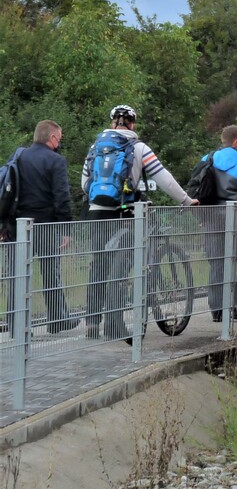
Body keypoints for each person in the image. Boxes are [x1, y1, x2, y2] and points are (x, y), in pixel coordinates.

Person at [81, 105, 198, 340]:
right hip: (126, 210)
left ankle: (93, 324)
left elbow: (85, 183)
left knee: (99, 264)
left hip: (97, 211)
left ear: (113, 122)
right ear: (132, 124)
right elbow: (163, 177)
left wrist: (101, 197)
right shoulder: (138, 147)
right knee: (125, 263)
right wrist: (186, 200)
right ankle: (117, 324)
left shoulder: (96, 146)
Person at [4, 121, 78, 334]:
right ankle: (57, 320)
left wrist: (4, 224)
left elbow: (7, 190)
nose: (60, 142)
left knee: (17, 275)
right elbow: (62, 197)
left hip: (17, 227)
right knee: (50, 272)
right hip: (45, 226)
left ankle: (15, 325)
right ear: (52, 138)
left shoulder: (18, 157)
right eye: (59, 138)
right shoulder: (56, 161)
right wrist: (66, 229)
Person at [200, 125, 237, 321]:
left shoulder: (207, 159)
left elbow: (198, 188)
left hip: (212, 219)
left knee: (217, 264)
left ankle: (218, 312)